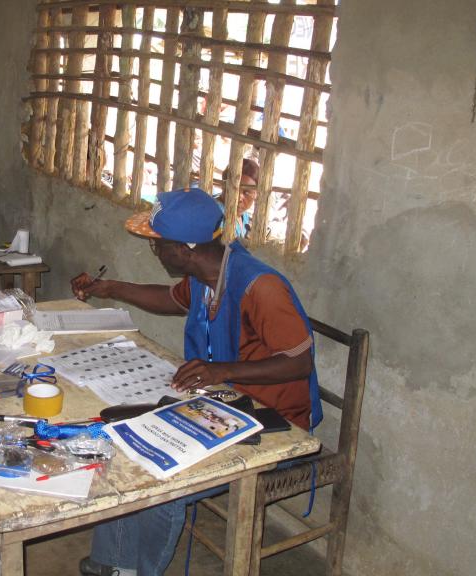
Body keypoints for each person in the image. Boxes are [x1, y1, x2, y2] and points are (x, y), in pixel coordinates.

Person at [70, 186, 321, 576]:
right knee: (122, 434)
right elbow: (171, 299)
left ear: (184, 250)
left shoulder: (260, 286)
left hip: (272, 422)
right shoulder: (208, 272)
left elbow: (299, 363)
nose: (155, 252)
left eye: (158, 245)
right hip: (225, 402)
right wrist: (109, 288)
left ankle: (138, 571)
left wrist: (223, 371)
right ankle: (112, 563)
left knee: (166, 486)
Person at [218, 157, 260, 239]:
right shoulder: (215, 216)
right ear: (223, 186)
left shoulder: (243, 215)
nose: (239, 198)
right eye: (234, 190)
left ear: (256, 194)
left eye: (246, 192)